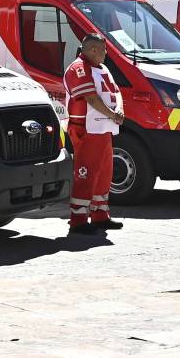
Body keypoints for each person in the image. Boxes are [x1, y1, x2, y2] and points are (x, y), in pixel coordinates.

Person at [63, 33, 126, 235]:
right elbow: (91, 98)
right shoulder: (78, 68)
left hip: (102, 128)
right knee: (86, 173)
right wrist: (113, 115)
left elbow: (116, 91)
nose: (106, 54)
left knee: (104, 173)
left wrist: (120, 110)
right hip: (86, 130)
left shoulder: (102, 68)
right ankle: (78, 219)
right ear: (92, 50)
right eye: (104, 50)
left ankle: (100, 214)